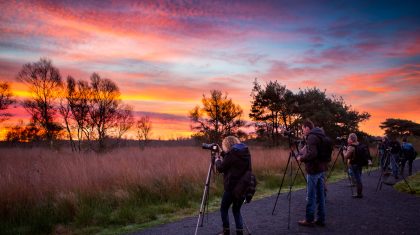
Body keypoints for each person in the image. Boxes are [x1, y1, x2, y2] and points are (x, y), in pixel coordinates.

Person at [215, 136, 251, 235]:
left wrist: (217, 160)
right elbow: (231, 161)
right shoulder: (245, 152)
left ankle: (226, 232)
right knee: (236, 210)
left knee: (224, 209)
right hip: (243, 187)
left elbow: (221, 168)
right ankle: (240, 233)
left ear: (227, 145)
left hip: (231, 188)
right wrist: (222, 153)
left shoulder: (231, 155)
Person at [297, 120, 327, 227]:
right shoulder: (321, 135)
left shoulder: (311, 137)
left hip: (313, 170)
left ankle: (309, 220)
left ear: (307, 128)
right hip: (321, 169)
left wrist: (302, 158)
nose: (302, 131)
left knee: (311, 195)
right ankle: (321, 219)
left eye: (303, 128)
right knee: (321, 196)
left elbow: (312, 154)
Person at [343, 133, 363, 198]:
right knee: (359, 177)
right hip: (360, 163)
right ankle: (359, 192)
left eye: (349, 138)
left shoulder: (351, 146)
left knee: (358, 179)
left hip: (354, 164)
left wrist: (344, 151)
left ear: (351, 139)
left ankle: (359, 193)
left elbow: (346, 156)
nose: (348, 139)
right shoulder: (359, 144)